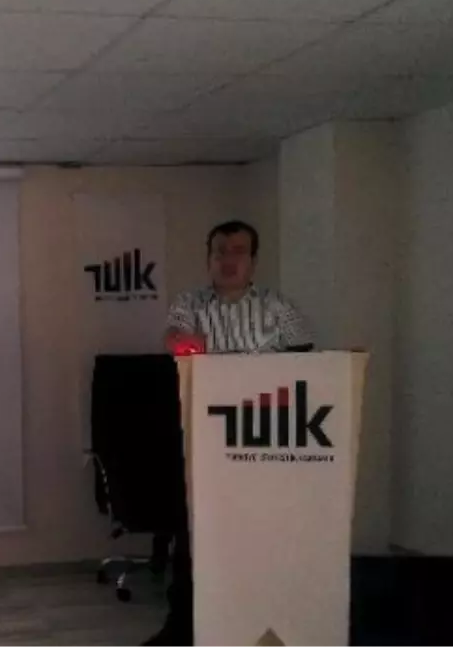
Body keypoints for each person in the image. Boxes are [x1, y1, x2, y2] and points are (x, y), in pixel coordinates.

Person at [142, 219, 313, 647]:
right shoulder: (191, 303)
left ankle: (260, 627)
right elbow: (174, 342)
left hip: (264, 442)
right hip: (204, 441)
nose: (228, 259)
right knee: (195, 538)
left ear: (253, 260)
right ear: (208, 258)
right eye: (219, 251)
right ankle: (183, 628)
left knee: (260, 540)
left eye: (238, 251)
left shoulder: (278, 307)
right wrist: (192, 348)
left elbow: (307, 364)